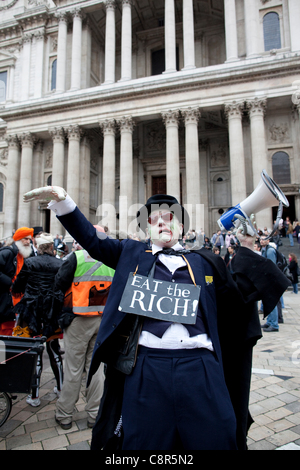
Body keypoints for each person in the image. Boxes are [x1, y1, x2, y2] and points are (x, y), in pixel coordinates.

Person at [23, 186, 290, 451]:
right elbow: (92, 240)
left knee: (218, 438)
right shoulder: (130, 253)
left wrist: (247, 247)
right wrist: (65, 203)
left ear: (182, 227)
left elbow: (238, 301)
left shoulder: (206, 261)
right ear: (146, 229)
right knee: (144, 443)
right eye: (154, 219)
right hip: (146, 366)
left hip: (201, 367)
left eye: (169, 217)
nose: (162, 222)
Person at [52, 243, 114, 430]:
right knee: (96, 369)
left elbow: (58, 285)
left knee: (73, 367)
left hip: (78, 320)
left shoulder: (76, 257)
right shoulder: (112, 259)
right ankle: (94, 414)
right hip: (102, 320)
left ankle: (65, 415)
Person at [11, 233, 64, 406]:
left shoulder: (30, 262)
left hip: (32, 311)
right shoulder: (60, 263)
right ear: (50, 247)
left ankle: (34, 396)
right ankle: (61, 389)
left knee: (35, 351)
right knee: (54, 349)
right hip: (52, 311)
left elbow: (18, 285)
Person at [0, 227, 34, 336]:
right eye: (25, 239)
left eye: (29, 239)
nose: (28, 242)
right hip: (5, 297)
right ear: (18, 239)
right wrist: (11, 283)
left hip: (17, 300)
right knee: (5, 328)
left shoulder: (25, 255)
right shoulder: (7, 253)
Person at [260, 236, 282, 332]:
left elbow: (271, 266)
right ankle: (269, 321)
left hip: (270, 279)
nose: (262, 241)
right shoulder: (264, 250)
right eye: (260, 239)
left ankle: (274, 324)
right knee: (267, 302)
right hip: (266, 278)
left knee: (271, 302)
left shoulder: (269, 251)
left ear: (268, 240)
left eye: (264, 239)